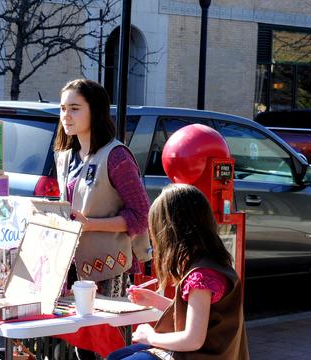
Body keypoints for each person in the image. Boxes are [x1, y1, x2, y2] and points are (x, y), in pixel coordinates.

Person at [54, 79, 150, 359]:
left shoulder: (116, 156)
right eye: (62, 109)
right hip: (70, 267)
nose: (66, 116)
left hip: (108, 267)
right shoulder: (65, 155)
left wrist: (90, 224)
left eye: (74, 108)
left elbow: (141, 216)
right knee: (79, 346)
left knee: (107, 346)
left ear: (94, 111)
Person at [108, 184, 249, 360]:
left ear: (169, 233)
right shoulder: (213, 264)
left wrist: (150, 336)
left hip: (197, 354)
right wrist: (155, 300)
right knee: (117, 356)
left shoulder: (201, 276)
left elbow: (193, 340)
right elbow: (200, 314)